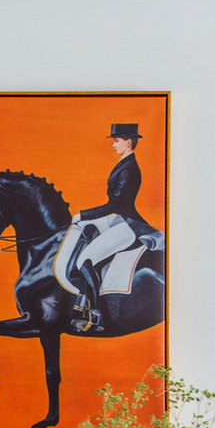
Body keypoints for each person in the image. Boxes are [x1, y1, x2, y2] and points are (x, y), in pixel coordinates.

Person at [66, 124, 143, 333]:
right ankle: (81, 297)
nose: (113, 145)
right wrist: (83, 220)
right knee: (80, 229)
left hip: (125, 223)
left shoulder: (129, 168)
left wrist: (84, 214)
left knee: (84, 260)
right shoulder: (124, 163)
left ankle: (96, 315)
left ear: (128, 142)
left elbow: (115, 204)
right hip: (115, 218)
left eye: (117, 141)